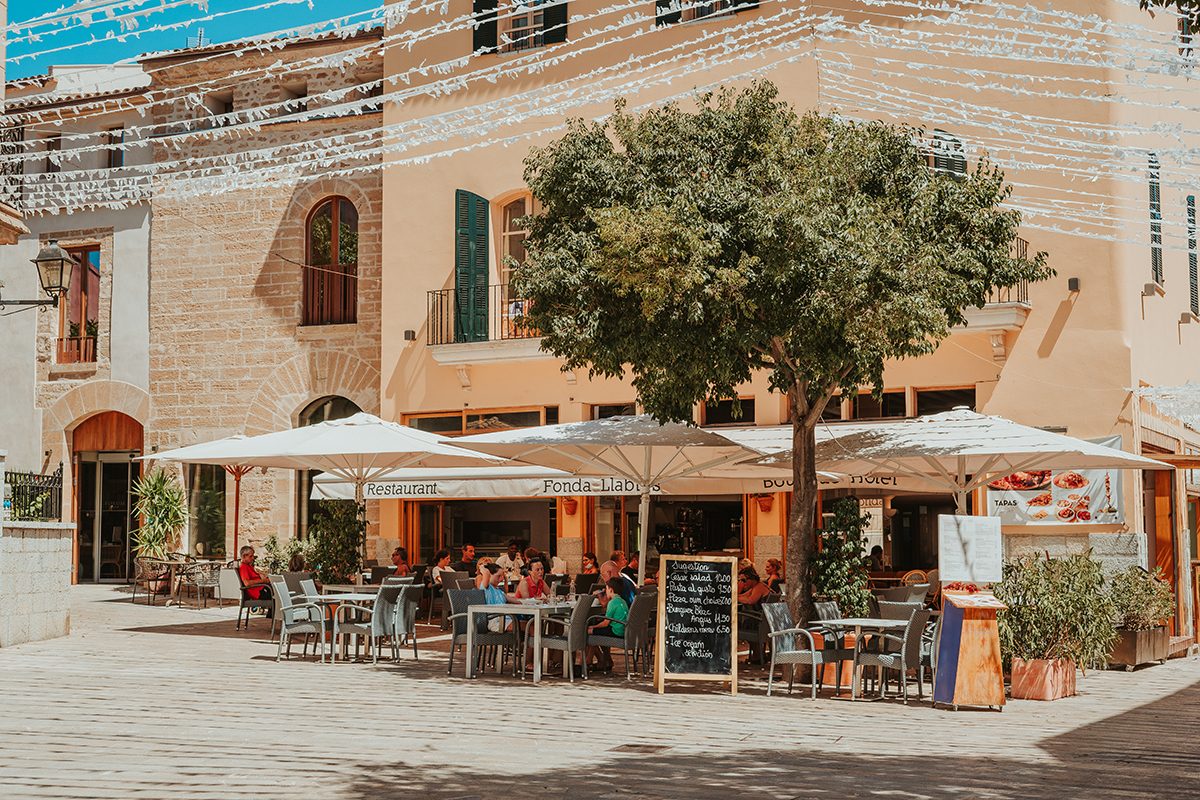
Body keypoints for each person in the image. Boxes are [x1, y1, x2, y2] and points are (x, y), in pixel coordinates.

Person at [587, 577, 630, 673]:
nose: (606, 591)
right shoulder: (622, 601)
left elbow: (606, 623)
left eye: (606, 589)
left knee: (589, 631)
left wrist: (593, 627)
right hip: (622, 630)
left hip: (615, 631)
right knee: (595, 630)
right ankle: (604, 660)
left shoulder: (612, 603)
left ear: (610, 590)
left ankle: (586, 662)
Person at [237, 545, 273, 616]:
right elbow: (247, 583)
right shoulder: (243, 567)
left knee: (278, 591)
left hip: (262, 589)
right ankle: (274, 617)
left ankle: (273, 615)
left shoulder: (249, 566)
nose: (253, 558)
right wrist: (263, 581)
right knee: (279, 595)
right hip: (258, 594)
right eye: (251, 556)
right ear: (244, 556)